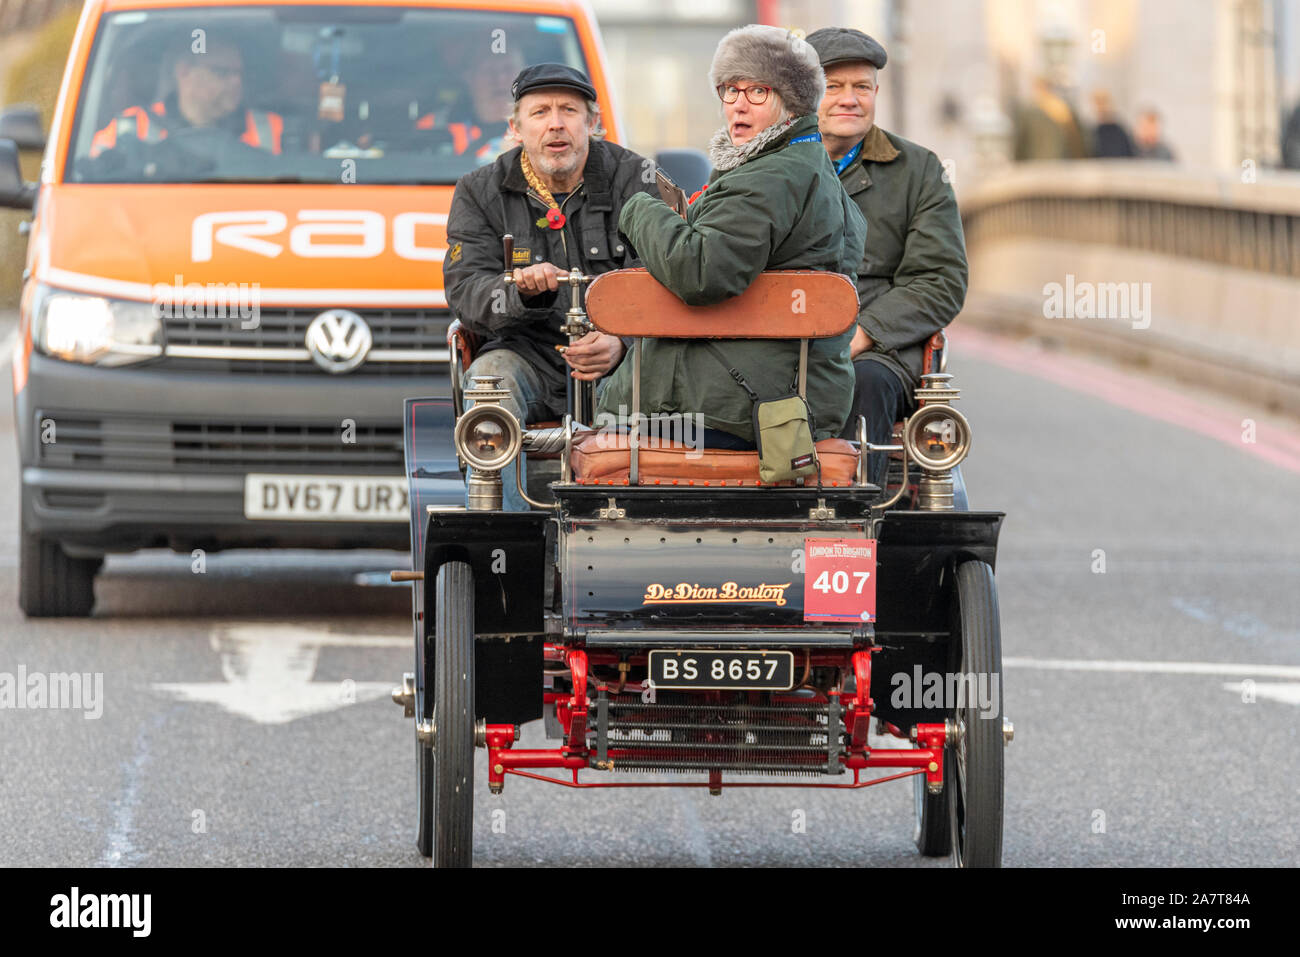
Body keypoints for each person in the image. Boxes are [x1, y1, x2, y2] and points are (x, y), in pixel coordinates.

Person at [599, 24, 866, 449]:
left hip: (740, 408)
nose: (739, 106)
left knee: (593, 419)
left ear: (791, 103)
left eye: (758, 91)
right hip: (779, 394)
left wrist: (638, 208)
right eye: (730, 89)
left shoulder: (770, 177)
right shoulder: (801, 165)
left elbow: (702, 272)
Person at [442, 63, 658, 509]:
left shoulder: (638, 177)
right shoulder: (478, 192)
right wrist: (522, 295)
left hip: (625, 361)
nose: (556, 123)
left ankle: (640, 532)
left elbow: (667, 278)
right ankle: (501, 537)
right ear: (516, 128)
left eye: (569, 110)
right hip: (528, 355)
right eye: (540, 112)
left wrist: (623, 341)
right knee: (488, 382)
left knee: (669, 389)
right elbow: (465, 291)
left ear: (592, 123)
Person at [805, 27, 967, 485]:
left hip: (879, 351)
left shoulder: (918, 171)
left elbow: (941, 279)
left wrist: (865, 333)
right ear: (803, 94)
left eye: (861, 87)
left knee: (865, 382)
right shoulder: (768, 163)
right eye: (832, 87)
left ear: (876, 92)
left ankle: (853, 523)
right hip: (781, 339)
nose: (848, 99)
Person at [89, 38, 282, 158]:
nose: (237, 82)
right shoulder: (129, 128)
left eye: (239, 73)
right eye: (222, 72)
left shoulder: (273, 128)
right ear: (184, 71)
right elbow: (91, 189)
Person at [415, 49, 523, 163]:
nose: (500, 79)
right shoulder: (432, 126)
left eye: (508, 69)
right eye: (488, 71)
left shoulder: (538, 127)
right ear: (469, 77)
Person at [1089, 89, 1135, 158]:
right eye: (1098, 103)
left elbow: (1129, 155)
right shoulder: (1092, 133)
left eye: (1103, 102)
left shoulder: (1120, 132)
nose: (1101, 107)